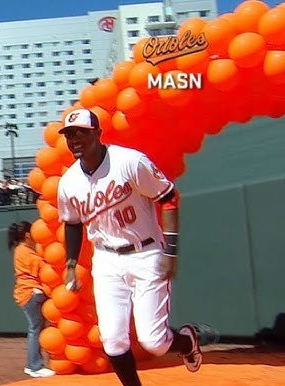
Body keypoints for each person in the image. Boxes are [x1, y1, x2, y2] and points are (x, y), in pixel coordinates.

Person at [56, 109, 215, 386]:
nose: (75, 138)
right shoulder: (68, 182)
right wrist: (70, 263)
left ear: (98, 133)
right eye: (70, 134)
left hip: (146, 252)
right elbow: (71, 223)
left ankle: (186, 340)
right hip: (106, 260)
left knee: (154, 342)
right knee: (113, 341)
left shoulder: (129, 161)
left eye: (82, 131)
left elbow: (167, 198)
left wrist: (171, 251)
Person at [8, 221, 56, 378]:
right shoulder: (24, 251)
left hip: (28, 294)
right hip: (31, 293)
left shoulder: (22, 250)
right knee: (35, 329)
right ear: (28, 235)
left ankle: (34, 365)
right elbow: (42, 268)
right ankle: (34, 366)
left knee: (36, 329)